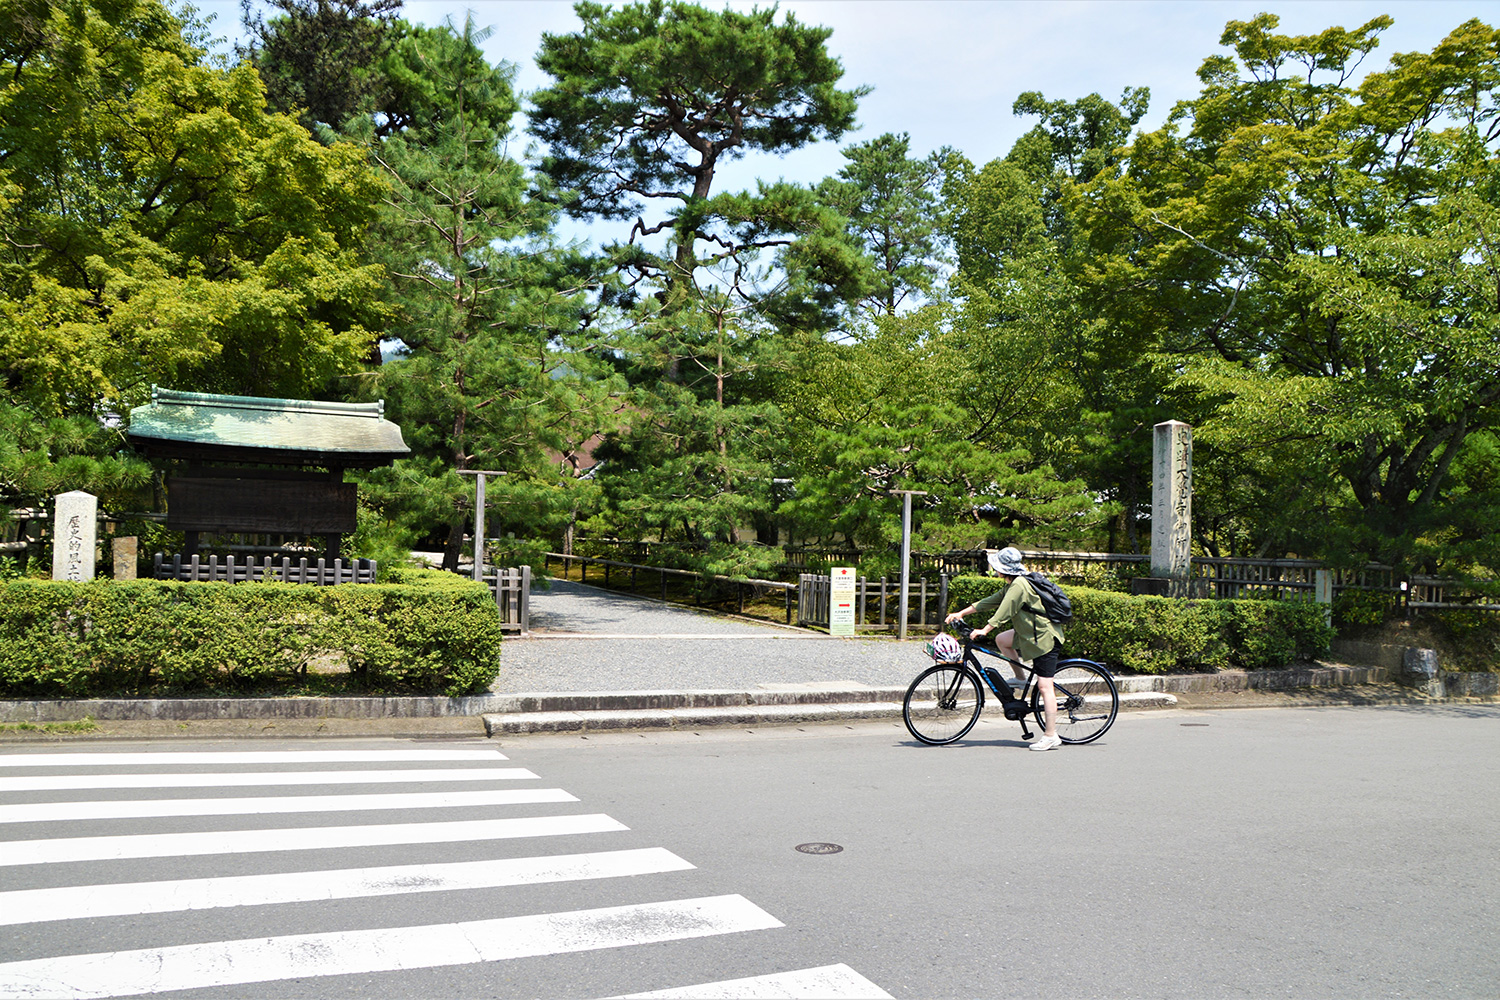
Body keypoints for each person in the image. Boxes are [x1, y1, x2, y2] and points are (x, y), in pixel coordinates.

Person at [943, 546, 1064, 751]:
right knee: (1003, 640)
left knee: (1044, 687)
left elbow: (1005, 610)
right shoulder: (1011, 583)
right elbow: (989, 602)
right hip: (1028, 634)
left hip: (1044, 637)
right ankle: (1020, 678)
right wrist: (961, 613)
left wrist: (985, 629)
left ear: (1002, 569)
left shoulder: (1019, 585)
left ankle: (1051, 735)